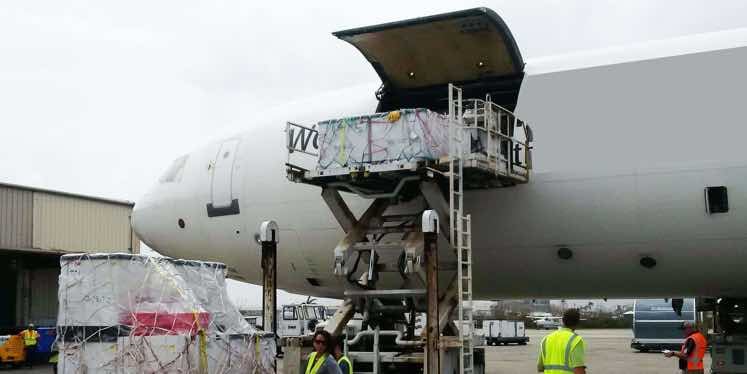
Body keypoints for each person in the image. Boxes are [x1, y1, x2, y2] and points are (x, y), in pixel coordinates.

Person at [537, 309, 586, 374]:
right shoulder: (576, 340)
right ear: (578, 323)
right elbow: (579, 370)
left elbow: (540, 367)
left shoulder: (546, 339)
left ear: (563, 321)